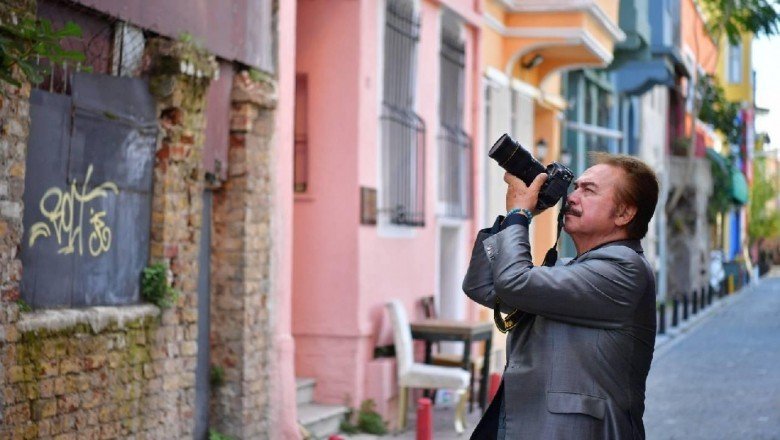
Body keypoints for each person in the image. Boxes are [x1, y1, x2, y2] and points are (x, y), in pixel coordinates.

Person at [463, 153, 659, 439]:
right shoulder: (569, 268)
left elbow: (514, 281)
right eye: (575, 187)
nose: (572, 197)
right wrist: (511, 220)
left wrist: (521, 214)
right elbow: (482, 286)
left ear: (624, 214)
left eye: (589, 190)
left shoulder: (625, 270)